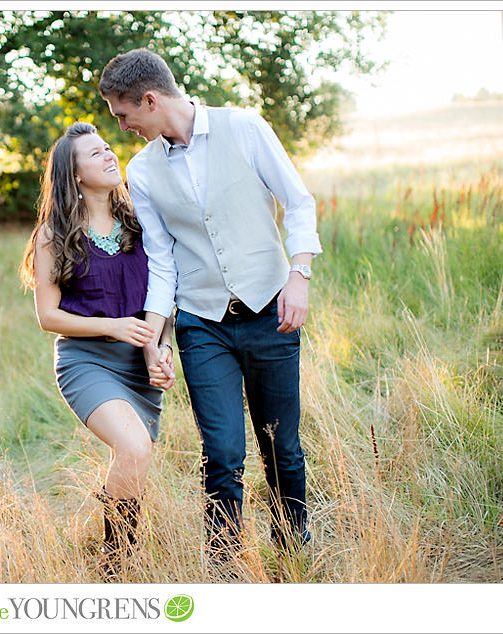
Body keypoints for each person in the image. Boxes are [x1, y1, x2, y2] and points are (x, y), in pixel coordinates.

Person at [99, 49, 323, 560]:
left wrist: (299, 274)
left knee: (279, 444)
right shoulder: (144, 171)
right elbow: (162, 262)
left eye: (124, 114)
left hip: (272, 312)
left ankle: (293, 546)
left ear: (150, 99)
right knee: (222, 452)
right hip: (203, 325)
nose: (124, 125)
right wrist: (155, 338)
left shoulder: (244, 127)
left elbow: (299, 200)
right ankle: (224, 561)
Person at [19, 121, 176, 579]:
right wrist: (112, 326)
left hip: (138, 361)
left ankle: (117, 558)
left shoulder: (141, 224)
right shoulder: (53, 235)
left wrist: (158, 351)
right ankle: (118, 564)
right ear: (75, 175)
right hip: (87, 361)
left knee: (135, 456)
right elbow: (48, 316)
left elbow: (160, 296)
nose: (110, 156)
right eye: (95, 154)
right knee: (134, 447)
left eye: (108, 147)